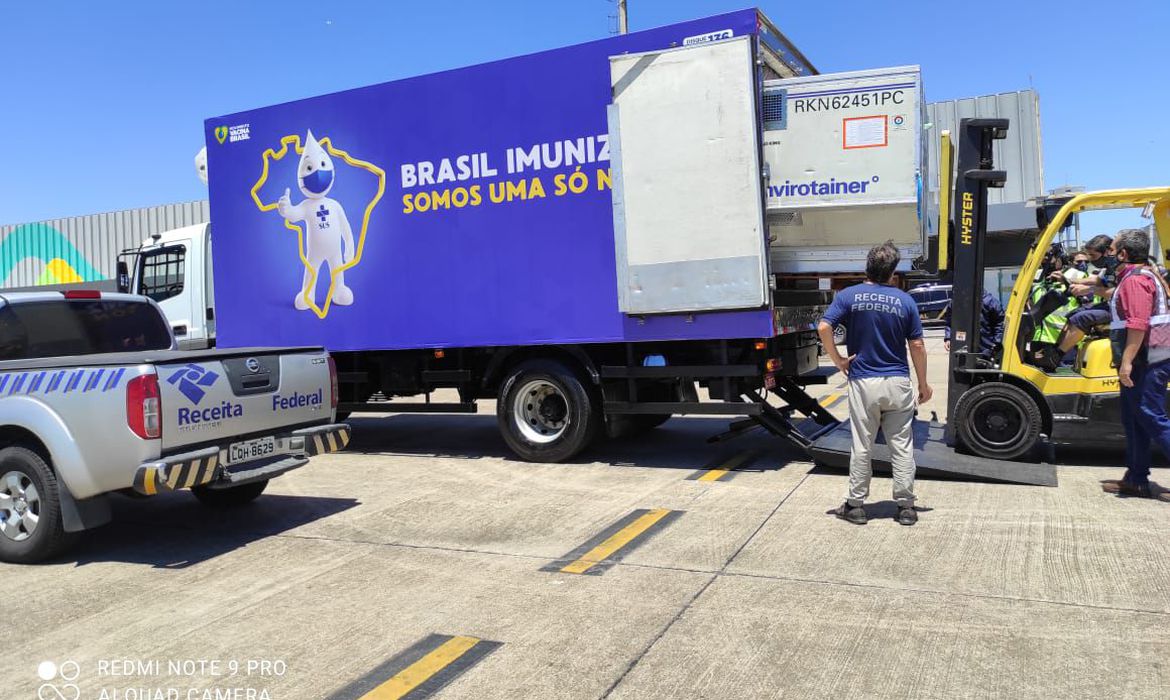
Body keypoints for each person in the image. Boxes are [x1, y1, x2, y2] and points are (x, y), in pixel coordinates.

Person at [817, 241, 932, 526]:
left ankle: (855, 505)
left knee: (862, 445)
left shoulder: (849, 296)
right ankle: (906, 507)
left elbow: (823, 327)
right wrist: (924, 384)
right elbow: (916, 344)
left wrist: (839, 360)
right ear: (892, 272)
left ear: (866, 267)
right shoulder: (905, 300)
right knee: (902, 445)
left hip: (864, 382)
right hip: (897, 381)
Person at [1102, 229, 1170, 501]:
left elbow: (1138, 324)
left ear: (1124, 254)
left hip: (1147, 360)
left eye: (1112, 249)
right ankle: (1137, 479)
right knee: (1135, 419)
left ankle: (1137, 477)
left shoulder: (1136, 281)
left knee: (1151, 416)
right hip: (1148, 357)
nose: (1108, 253)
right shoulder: (1139, 276)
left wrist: (1127, 362)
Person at [1036, 235, 1116, 366]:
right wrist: (1066, 279)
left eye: (1093, 256)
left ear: (1107, 251)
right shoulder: (1109, 267)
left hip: (1120, 310)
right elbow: (1097, 280)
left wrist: (1088, 290)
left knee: (1081, 318)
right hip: (1111, 306)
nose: (1090, 260)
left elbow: (1116, 294)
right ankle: (1054, 351)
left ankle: (1057, 356)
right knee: (1072, 314)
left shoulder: (1117, 266)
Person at [942, 288, 1004, 355]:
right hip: (962, 345)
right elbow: (950, 322)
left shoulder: (989, 301)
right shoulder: (957, 301)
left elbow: (999, 323)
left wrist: (997, 342)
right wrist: (948, 338)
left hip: (985, 347)